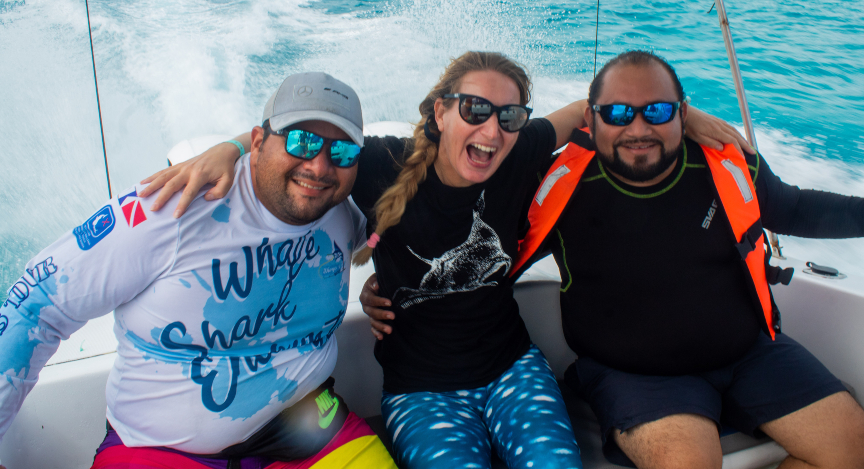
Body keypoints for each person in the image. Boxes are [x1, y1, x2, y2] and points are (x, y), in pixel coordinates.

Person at [139, 51, 745, 469]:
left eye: (508, 115)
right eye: (475, 109)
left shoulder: (518, 151)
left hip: (513, 369)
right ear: (439, 111)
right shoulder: (380, 163)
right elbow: (311, 147)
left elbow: (593, 111)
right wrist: (233, 146)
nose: (492, 127)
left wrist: (683, 116)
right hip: (420, 389)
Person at [0, 72, 396, 469]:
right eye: (301, 141)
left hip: (312, 431)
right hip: (163, 451)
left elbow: (431, 192)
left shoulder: (349, 209)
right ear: (258, 142)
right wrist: (229, 146)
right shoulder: (170, 207)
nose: (319, 165)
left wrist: (387, 279)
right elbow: (36, 304)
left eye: (342, 152)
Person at [502, 50, 864, 468]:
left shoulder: (725, 163)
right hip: (634, 374)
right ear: (590, 116)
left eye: (656, 111)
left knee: (853, 450)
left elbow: (797, 209)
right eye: (617, 113)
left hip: (751, 354)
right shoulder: (558, 186)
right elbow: (486, 205)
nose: (638, 128)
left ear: (683, 114)